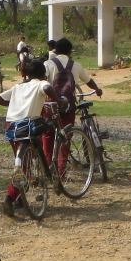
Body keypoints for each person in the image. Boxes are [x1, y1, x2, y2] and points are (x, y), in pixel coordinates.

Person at [0, 59, 59, 217]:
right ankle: (10, 197)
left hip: (12, 126)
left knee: (23, 161)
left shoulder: (18, 87)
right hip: (29, 126)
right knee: (24, 166)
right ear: (43, 74)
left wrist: (15, 105)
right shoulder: (39, 84)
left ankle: (20, 196)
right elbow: (48, 87)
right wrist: (57, 99)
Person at [43, 37, 103, 169]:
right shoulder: (76, 65)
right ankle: (61, 168)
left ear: (55, 50)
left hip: (51, 106)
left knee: (48, 136)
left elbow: (41, 82)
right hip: (68, 106)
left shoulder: (48, 64)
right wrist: (97, 90)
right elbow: (89, 81)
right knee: (66, 136)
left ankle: (47, 166)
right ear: (70, 51)